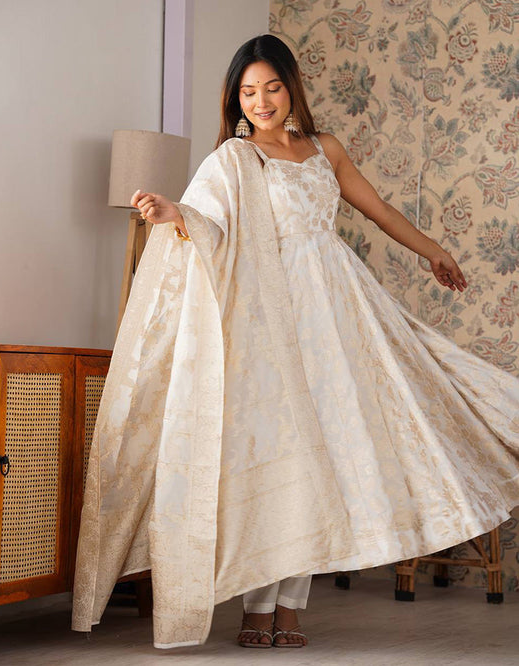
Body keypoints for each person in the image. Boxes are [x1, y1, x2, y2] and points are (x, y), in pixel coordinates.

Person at [73, 34, 519, 651]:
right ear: (235, 99)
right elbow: (213, 227)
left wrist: (433, 251)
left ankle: (290, 608)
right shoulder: (233, 159)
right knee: (280, 454)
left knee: (326, 451)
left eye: (272, 88)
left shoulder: (324, 149)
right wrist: (176, 216)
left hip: (338, 317)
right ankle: (258, 607)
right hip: (268, 322)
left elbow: (379, 210)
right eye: (247, 92)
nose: (261, 102)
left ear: (291, 88)